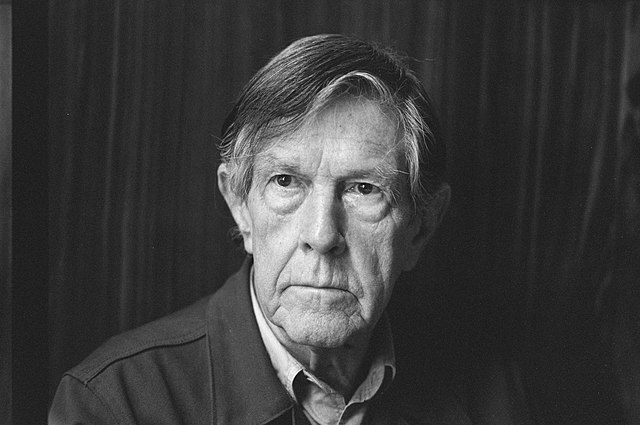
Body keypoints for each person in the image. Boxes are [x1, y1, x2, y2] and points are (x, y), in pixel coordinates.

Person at [49, 34, 489, 424]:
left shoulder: (494, 392)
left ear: (421, 227)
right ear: (240, 206)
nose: (322, 236)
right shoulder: (114, 405)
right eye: (286, 181)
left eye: (363, 189)